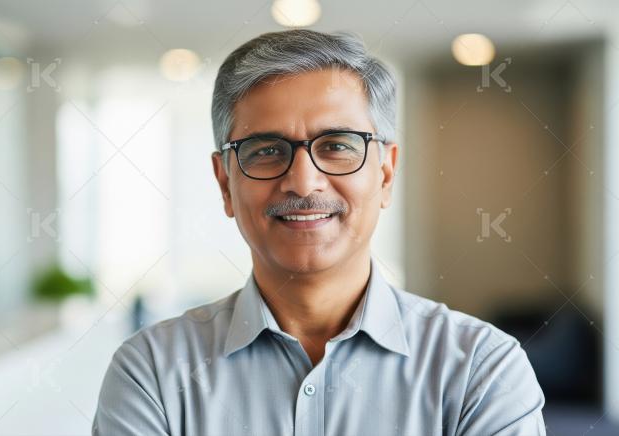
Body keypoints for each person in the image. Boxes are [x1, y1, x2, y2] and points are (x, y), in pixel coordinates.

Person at [92, 29, 546, 435]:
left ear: (385, 174)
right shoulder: (151, 372)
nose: (304, 182)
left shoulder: (482, 370)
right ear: (225, 183)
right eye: (266, 150)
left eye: (336, 146)